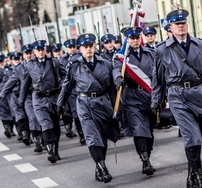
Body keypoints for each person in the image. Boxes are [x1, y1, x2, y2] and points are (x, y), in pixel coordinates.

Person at [151, 9, 202, 187]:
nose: (181, 26)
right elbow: (158, 78)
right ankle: (198, 176)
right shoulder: (162, 50)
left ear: (187, 24)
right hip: (178, 96)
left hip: (200, 94)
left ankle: (191, 175)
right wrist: (155, 102)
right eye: (177, 24)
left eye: (183, 23)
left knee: (197, 135)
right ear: (170, 27)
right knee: (191, 135)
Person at [57, 33, 120, 183]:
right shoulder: (74, 66)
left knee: (102, 138)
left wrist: (117, 109)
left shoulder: (106, 63)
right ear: (80, 49)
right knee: (92, 137)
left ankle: (99, 165)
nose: (89, 49)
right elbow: (66, 87)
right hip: (84, 104)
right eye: (85, 47)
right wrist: (60, 104)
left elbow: (112, 89)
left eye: (91, 46)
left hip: (103, 103)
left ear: (95, 47)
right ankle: (103, 168)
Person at [113, 27, 156, 176]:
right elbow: (116, 69)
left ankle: (147, 155)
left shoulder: (150, 54)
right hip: (132, 97)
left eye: (137, 38)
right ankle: (145, 160)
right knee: (139, 128)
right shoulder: (122, 57)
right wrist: (118, 77)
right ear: (127, 40)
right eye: (132, 38)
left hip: (148, 96)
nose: (135, 41)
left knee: (149, 130)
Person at [19, 40, 66, 164]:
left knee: (56, 126)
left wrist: (62, 89)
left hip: (54, 97)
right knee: (45, 124)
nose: (41, 52)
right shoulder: (29, 65)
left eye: (42, 49)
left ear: (45, 50)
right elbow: (25, 84)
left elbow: (65, 76)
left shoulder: (54, 62)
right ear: (34, 52)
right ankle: (50, 151)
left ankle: (55, 150)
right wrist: (21, 100)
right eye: (38, 50)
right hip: (39, 99)